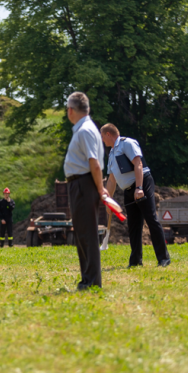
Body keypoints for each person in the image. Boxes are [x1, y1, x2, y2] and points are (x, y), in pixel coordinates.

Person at [101, 123, 171, 268]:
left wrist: (139, 188)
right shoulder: (112, 153)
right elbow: (112, 180)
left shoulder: (128, 143)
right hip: (128, 189)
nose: (102, 141)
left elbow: (138, 164)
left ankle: (163, 259)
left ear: (108, 134)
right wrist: (109, 201)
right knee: (133, 225)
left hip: (142, 184)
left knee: (151, 219)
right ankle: (135, 261)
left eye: (102, 137)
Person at [64, 92, 109, 290]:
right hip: (81, 184)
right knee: (82, 233)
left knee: (87, 234)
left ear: (70, 110)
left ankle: (91, 281)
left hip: (84, 184)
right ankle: (88, 279)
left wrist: (101, 189)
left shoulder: (85, 131)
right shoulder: (85, 129)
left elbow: (95, 163)